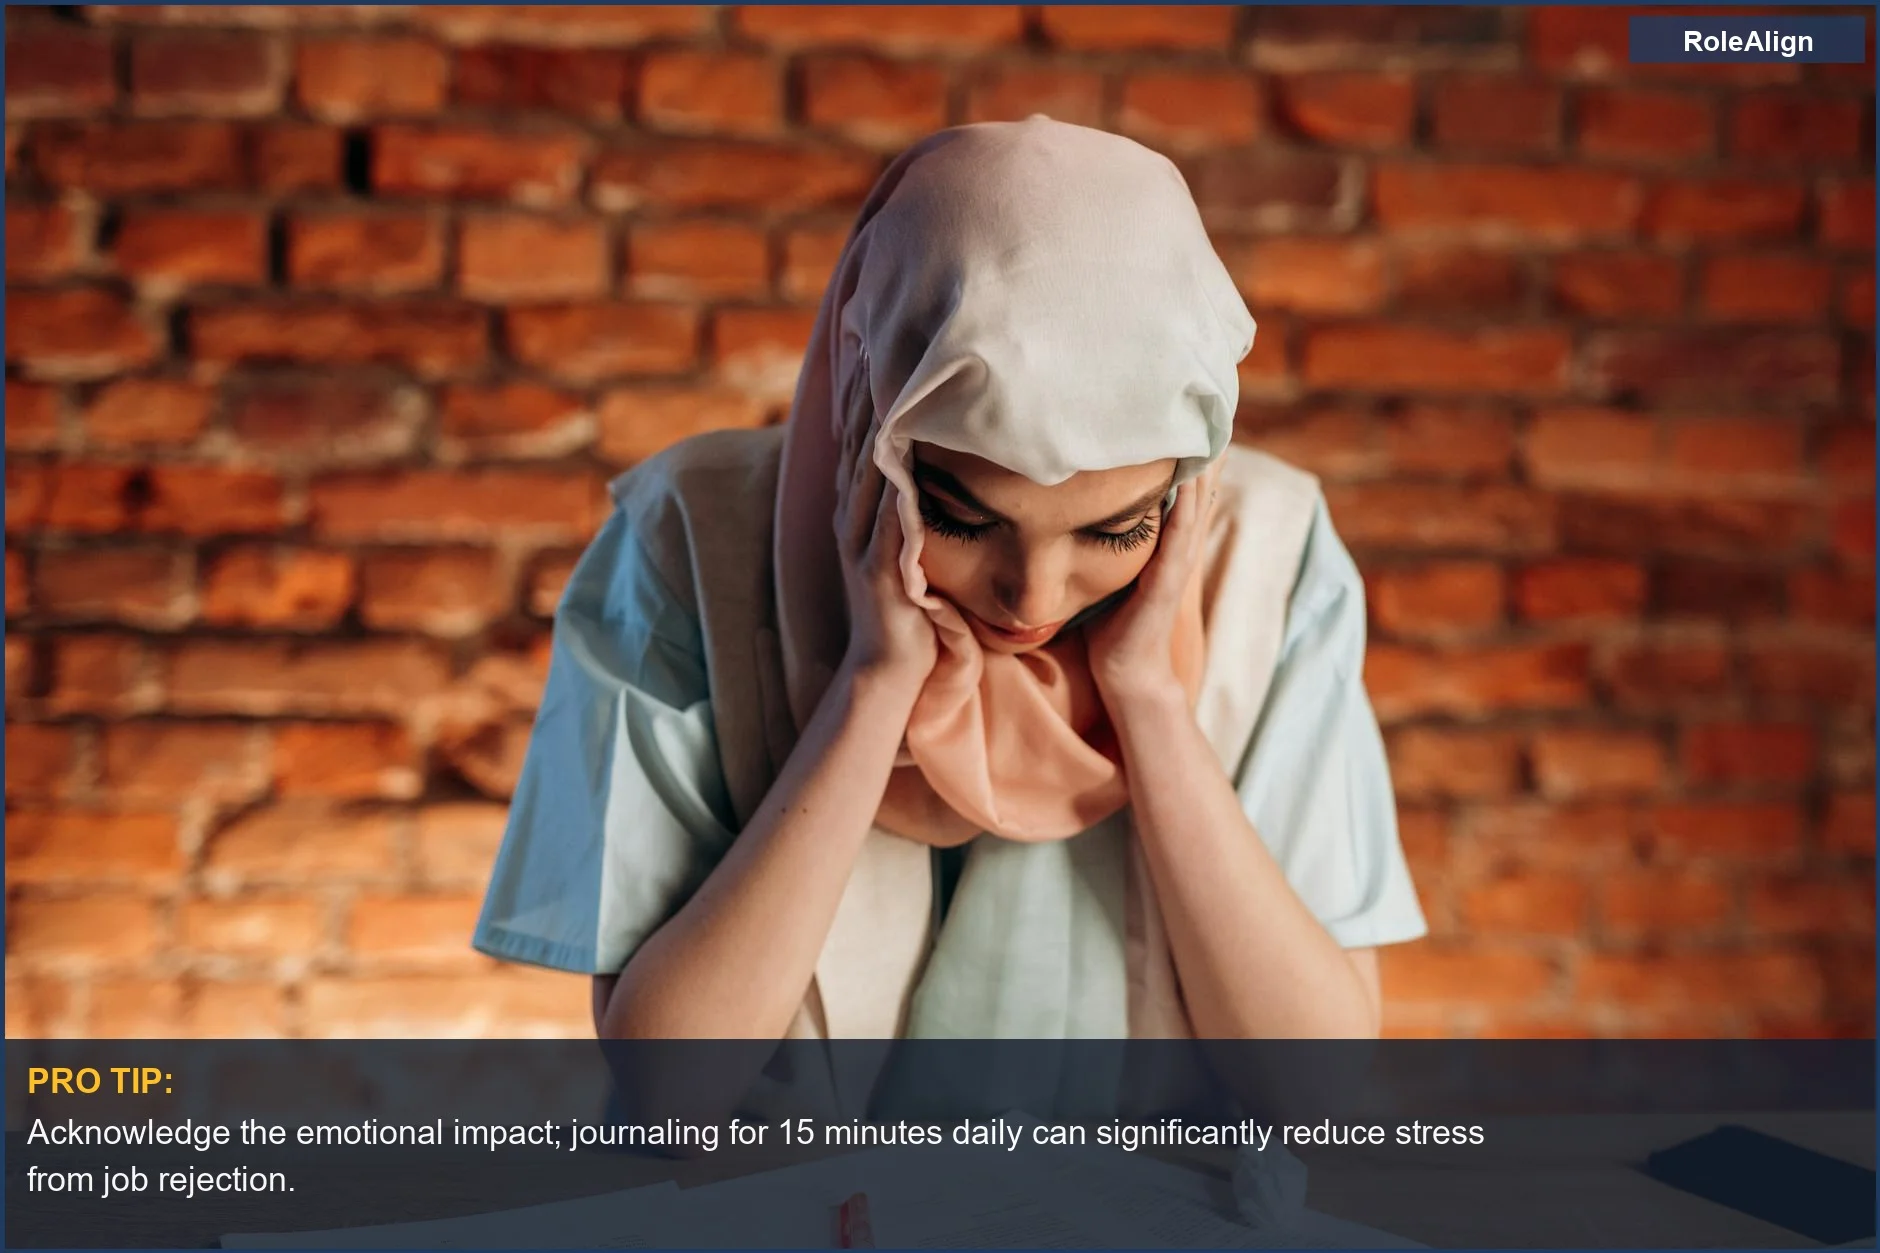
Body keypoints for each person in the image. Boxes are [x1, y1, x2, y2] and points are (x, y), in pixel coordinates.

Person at [472, 116, 1427, 1042]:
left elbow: (1314, 1093)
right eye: (965, 517)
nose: (1034, 599)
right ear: (866, 414)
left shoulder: (1271, 551)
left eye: (1117, 529)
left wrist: (1150, 699)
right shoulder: (689, 537)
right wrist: (871, 689)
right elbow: (673, 1096)